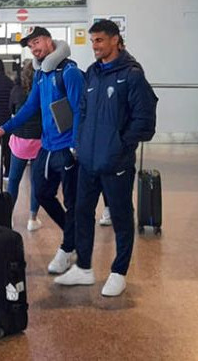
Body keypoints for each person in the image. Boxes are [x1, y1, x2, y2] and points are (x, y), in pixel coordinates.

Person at [55, 20, 157, 297]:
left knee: (122, 218)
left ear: (115, 40)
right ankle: (84, 268)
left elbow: (145, 121)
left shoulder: (132, 75)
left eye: (100, 40)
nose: (95, 46)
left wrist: (120, 146)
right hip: (88, 161)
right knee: (82, 212)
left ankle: (118, 272)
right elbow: (84, 113)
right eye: (92, 41)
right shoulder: (92, 73)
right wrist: (80, 144)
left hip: (116, 163)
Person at [0, 26, 84, 275]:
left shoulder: (70, 72)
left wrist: (76, 145)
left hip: (67, 149)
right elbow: (31, 106)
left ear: (48, 40)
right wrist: (6, 127)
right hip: (48, 146)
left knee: (73, 201)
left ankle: (68, 248)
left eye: (36, 43)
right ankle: (72, 234)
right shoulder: (42, 75)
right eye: (30, 46)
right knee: (42, 194)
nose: (34, 48)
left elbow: (80, 110)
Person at [8, 63, 43, 231]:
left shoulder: (16, 91)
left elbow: (11, 111)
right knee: (36, 181)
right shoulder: (43, 91)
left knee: (13, 180)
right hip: (39, 140)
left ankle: (7, 217)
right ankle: (32, 218)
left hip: (19, 139)